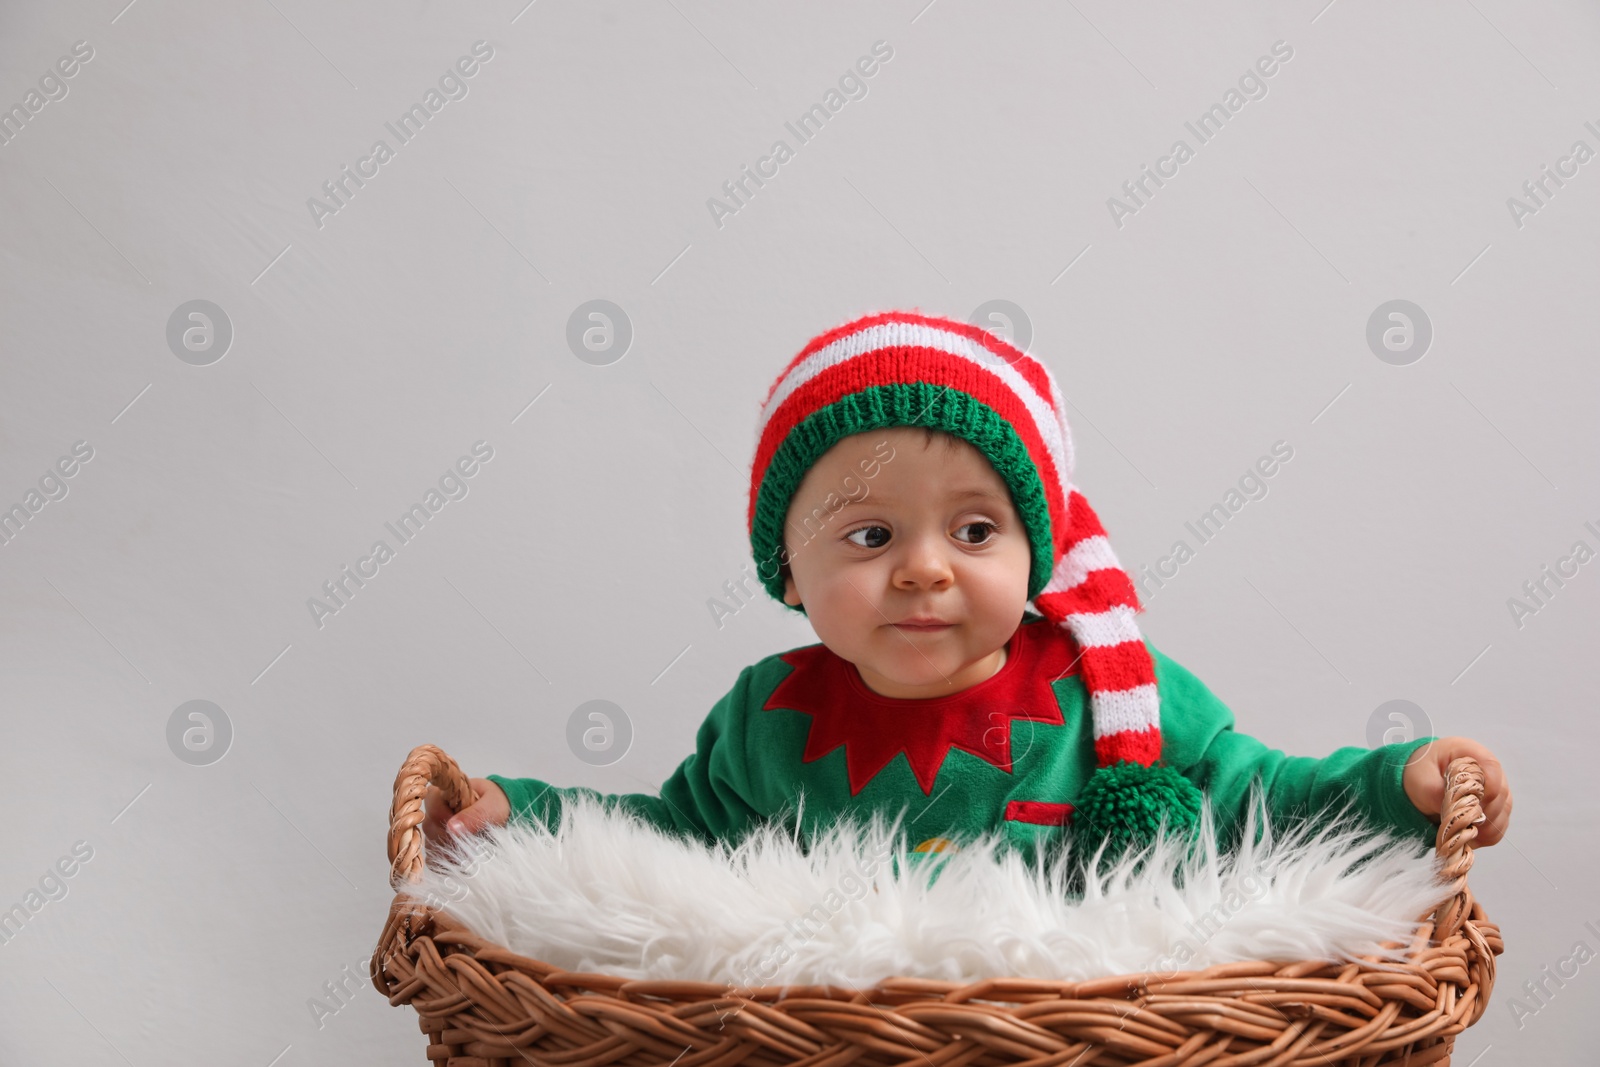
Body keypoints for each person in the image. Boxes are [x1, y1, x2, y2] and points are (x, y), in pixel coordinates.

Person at [423, 310, 1511, 865]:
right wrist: (524, 815)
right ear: (787, 574)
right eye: (868, 531)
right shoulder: (769, 717)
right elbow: (664, 842)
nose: (925, 565)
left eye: (976, 528)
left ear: (1034, 554)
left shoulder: (1105, 695)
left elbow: (1258, 796)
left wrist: (1397, 782)